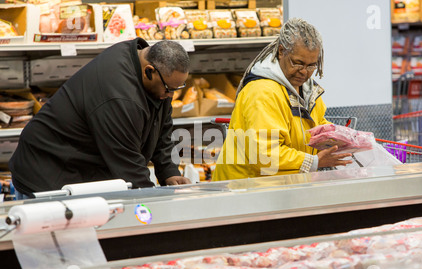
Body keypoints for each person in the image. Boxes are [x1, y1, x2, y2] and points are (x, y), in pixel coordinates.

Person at [9, 37, 191, 199]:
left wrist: (168, 170)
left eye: (177, 89)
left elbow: (161, 126)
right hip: (48, 174)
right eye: (169, 89)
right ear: (149, 71)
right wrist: (153, 201)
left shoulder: (148, 69)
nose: (170, 95)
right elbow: (127, 163)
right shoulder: (118, 96)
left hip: (84, 170)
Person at [212, 18, 353, 181]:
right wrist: (313, 161)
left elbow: (315, 123)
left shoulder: (307, 88)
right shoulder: (262, 91)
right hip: (246, 188)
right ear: (281, 51)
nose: (304, 72)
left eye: (311, 66)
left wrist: (336, 136)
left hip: (280, 186)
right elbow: (264, 154)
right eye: (298, 63)